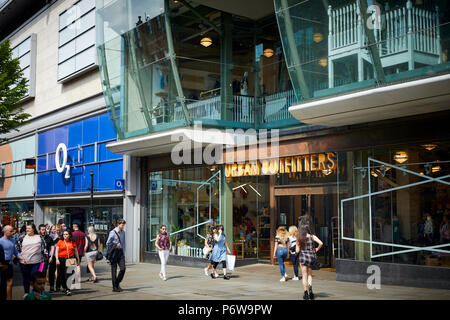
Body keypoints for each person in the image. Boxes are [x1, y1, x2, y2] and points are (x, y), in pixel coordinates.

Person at [15, 224, 47, 296]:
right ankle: (26, 293)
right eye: (26, 228)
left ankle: (36, 293)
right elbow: (16, 248)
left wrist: (45, 260)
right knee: (26, 278)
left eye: (29, 228)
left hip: (37, 262)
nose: (27, 230)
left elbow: (44, 249)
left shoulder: (39, 237)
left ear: (33, 229)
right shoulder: (22, 237)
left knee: (36, 278)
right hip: (24, 262)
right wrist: (19, 257)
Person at [296, 225, 323, 300]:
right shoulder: (312, 236)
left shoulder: (299, 238)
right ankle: (310, 288)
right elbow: (321, 243)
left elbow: (297, 250)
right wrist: (316, 249)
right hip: (311, 257)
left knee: (304, 275)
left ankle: (305, 293)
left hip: (303, 257)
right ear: (308, 229)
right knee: (309, 275)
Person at [55, 229, 80, 296]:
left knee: (69, 275)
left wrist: (78, 259)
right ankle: (64, 287)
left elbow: (76, 251)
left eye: (66, 234)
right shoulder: (60, 242)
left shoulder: (72, 242)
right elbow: (56, 251)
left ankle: (68, 289)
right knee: (62, 275)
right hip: (61, 260)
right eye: (64, 234)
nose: (65, 236)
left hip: (70, 260)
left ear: (69, 235)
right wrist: (57, 259)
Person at [0, 225, 20, 300]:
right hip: (2, 264)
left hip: (10, 263)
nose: (13, 232)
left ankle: (9, 298)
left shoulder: (13, 240)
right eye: (11, 231)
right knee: (3, 283)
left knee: (10, 282)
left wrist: (22, 258)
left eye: (13, 231)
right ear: (5, 232)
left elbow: (15, 252)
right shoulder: (1, 241)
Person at [106, 219, 126, 292]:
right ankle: (114, 287)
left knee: (123, 269)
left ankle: (117, 283)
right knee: (114, 270)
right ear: (118, 224)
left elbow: (123, 243)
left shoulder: (123, 232)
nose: (123, 226)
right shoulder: (113, 232)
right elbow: (108, 243)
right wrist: (114, 245)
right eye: (122, 225)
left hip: (120, 252)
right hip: (114, 252)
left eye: (124, 225)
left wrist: (124, 253)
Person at [48, 224, 62, 292]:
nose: (58, 231)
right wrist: (55, 238)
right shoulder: (51, 236)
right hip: (52, 255)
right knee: (51, 271)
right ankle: (51, 286)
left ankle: (58, 286)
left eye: (59, 230)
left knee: (59, 271)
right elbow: (50, 244)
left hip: (60, 255)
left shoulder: (62, 236)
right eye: (57, 230)